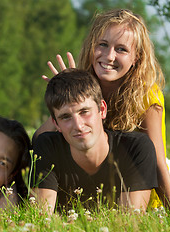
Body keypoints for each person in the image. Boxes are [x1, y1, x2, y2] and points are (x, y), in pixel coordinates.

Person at [36, 9, 170, 211]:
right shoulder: (85, 85)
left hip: (145, 183)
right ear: (92, 46)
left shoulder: (145, 95)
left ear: (137, 58)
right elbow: (40, 138)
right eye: (103, 45)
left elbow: (157, 161)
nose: (109, 56)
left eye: (121, 49)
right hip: (106, 186)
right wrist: (65, 93)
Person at [32, 68, 157, 214]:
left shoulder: (135, 147)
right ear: (56, 123)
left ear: (102, 109)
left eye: (84, 112)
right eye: (65, 117)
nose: (78, 125)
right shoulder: (48, 146)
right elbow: (41, 218)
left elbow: (129, 223)